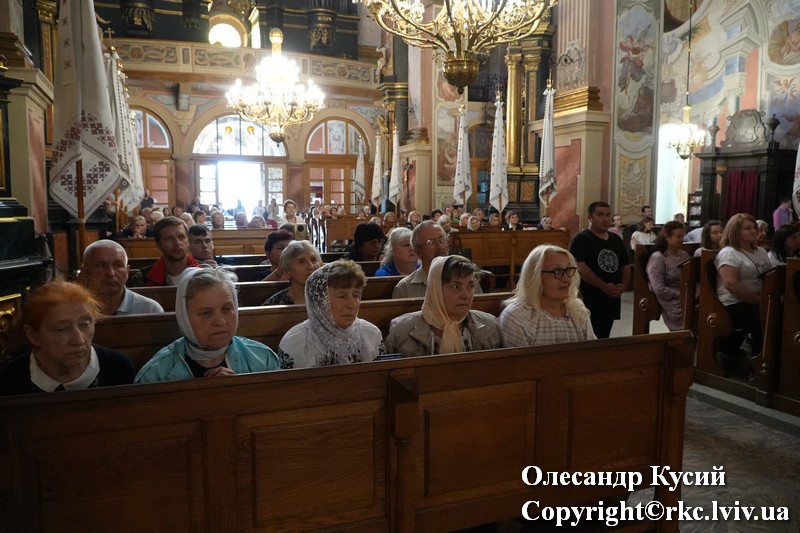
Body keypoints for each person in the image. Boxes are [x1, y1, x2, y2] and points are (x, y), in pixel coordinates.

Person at [135, 268, 280, 383]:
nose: (220, 322)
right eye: (206, 313)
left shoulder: (264, 360)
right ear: (185, 318)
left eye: (227, 309)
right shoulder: (155, 374)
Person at [0, 281, 135, 395]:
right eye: (62, 329)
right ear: (33, 335)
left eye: (85, 324)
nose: (79, 340)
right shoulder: (9, 380)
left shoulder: (118, 369)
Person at [385, 255, 502, 357]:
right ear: (436, 290)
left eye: (470, 286)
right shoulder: (401, 332)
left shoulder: (491, 326)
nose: (466, 295)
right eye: (456, 287)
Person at [277, 260, 384, 369]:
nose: (352, 305)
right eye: (341, 296)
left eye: (356, 295)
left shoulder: (371, 334)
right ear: (319, 301)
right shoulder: (296, 342)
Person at [500, 245, 595, 346]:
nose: (567, 279)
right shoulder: (517, 317)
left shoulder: (578, 311)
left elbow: (593, 353)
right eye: (557, 271)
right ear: (534, 277)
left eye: (569, 270)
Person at [714, 213, 771, 375]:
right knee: (765, 318)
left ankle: (773, 361)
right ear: (735, 231)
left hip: (758, 299)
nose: (753, 231)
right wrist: (759, 301)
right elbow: (731, 284)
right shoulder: (729, 253)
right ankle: (759, 367)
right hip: (733, 302)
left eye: (754, 227)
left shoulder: (760, 251)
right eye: (747, 228)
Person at [569, 201, 630, 338]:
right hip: (589, 297)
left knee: (604, 334)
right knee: (588, 335)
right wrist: (604, 286)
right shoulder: (581, 239)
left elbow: (625, 264)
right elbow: (581, 267)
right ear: (590, 217)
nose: (605, 219)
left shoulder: (615, 239)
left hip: (612, 297)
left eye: (608, 215)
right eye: (600, 215)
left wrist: (623, 285)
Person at [78, 239, 164, 315]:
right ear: (85, 272)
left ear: (127, 271)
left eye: (118, 265)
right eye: (101, 266)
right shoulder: (75, 310)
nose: (110, 273)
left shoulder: (150, 309)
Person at [130, 217, 200, 286]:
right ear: (158, 244)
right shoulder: (142, 279)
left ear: (188, 240)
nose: (177, 243)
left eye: (181, 237)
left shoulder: (202, 271)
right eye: (169, 238)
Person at [646, 221, 690, 331]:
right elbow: (659, 288)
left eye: (683, 236)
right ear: (667, 237)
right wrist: (680, 294)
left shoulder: (684, 255)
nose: (682, 239)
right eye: (678, 236)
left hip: (687, 295)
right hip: (671, 299)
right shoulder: (658, 257)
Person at [392, 220, 449, 298]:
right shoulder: (405, 289)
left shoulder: (463, 279)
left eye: (442, 240)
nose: (440, 246)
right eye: (431, 242)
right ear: (418, 252)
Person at [263, 240, 322, 305]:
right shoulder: (274, 304)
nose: (311, 266)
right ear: (287, 272)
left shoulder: (329, 297)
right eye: (301, 262)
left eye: (314, 260)